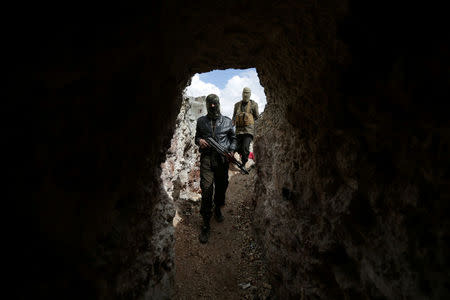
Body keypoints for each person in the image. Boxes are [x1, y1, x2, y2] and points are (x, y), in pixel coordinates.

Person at [195, 94, 237, 243]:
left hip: (222, 161)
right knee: (206, 190)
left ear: (218, 104)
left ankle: (218, 207)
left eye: (215, 104)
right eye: (210, 105)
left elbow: (234, 138)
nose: (213, 107)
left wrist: (231, 150)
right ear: (207, 105)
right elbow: (196, 137)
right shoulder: (201, 121)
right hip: (206, 160)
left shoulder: (227, 122)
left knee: (221, 186)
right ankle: (206, 222)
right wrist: (199, 140)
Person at [232, 87, 259, 167]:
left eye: (247, 93)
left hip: (248, 131)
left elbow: (257, 117)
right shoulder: (237, 105)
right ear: (242, 93)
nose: (245, 94)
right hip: (238, 131)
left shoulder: (254, 104)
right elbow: (233, 117)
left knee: (245, 148)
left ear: (250, 94)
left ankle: (243, 164)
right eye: (244, 93)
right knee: (234, 147)